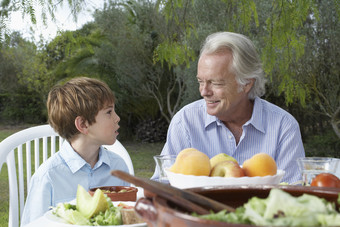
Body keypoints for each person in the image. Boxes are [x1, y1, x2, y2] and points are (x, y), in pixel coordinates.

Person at [152, 32, 305, 184]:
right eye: (200, 81)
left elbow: (292, 193)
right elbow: (161, 185)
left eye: (216, 83)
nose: (204, 91)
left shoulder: (284, 127)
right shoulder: (185, 122)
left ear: (246, 84)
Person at [21, 77, 130, 226]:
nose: (117, 118)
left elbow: (130, 216)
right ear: (83, 124)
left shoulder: (119, 166)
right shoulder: (48, 177)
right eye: (109, 112)